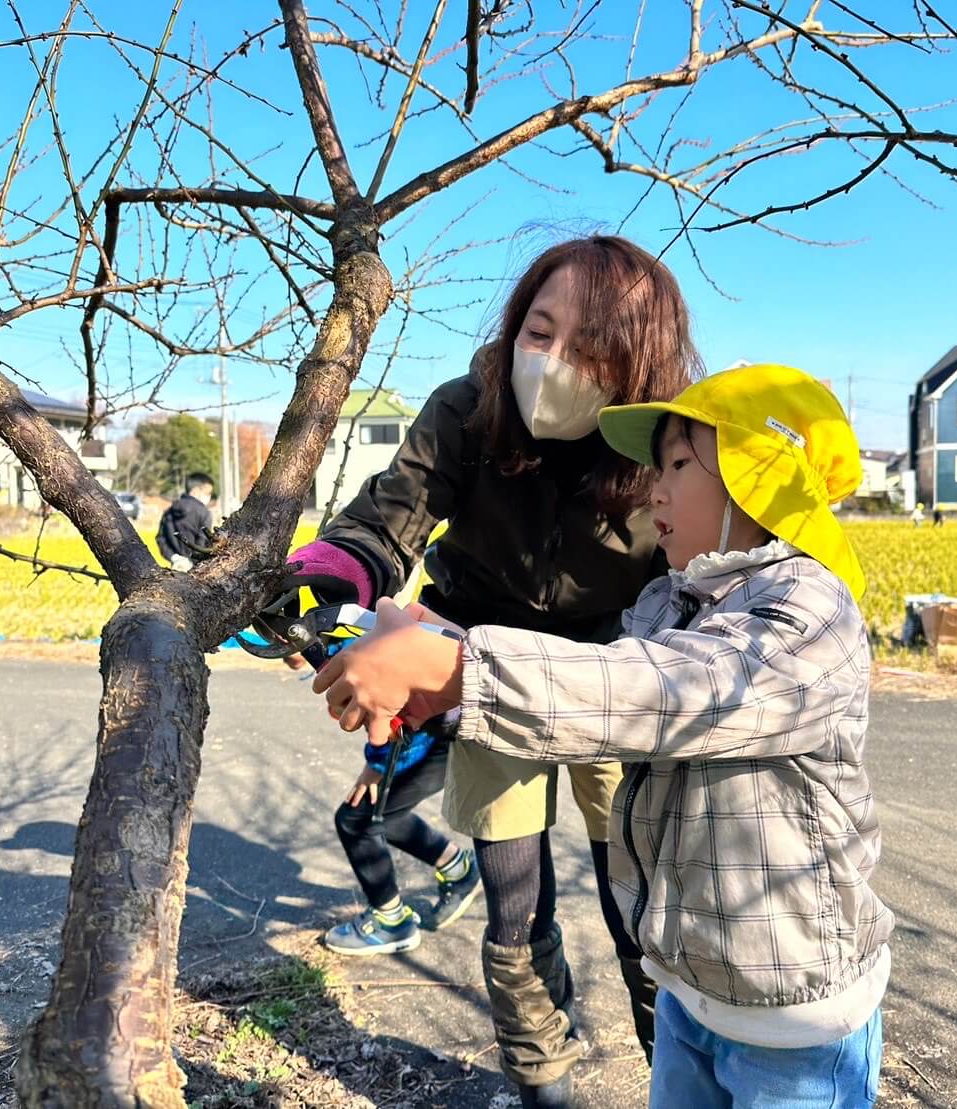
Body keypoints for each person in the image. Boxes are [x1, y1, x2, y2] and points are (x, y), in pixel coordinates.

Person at [316, 363, 893, 1109]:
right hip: (690, 991)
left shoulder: (807, 612)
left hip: (795, 1019)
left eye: (680, 463)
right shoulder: (673, 600)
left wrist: (463, 670)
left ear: (762, 476)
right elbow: (591, 676)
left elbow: (652, 693)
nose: (654, 488)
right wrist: (445, 637)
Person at [279, 235, 700, 1104]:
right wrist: (319, 584)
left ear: (640, 366)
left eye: (589, 350)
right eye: (538, 332)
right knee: (515, 904)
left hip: (614, 679)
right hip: (479, 665)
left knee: (640, 903)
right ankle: (541, 1077)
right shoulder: (469, 409)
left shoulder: (669, 443)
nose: (550, 364)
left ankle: (678, 1075)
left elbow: (698, 576)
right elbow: (384, 522)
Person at [324, 697, 482, 955]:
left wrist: (379, 763)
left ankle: (391, 924)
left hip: (435, 731)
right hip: (447, 725)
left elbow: (393, 697)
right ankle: (459, 869)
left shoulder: (334, 653)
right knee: (385, 815)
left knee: (357, 820)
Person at [156, 472, 215, 570]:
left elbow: (161, 539)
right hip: (195, 568)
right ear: (196, 490)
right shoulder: (204, 513)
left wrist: (174, 557)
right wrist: (191, 561)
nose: (209, 497)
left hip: (176, 566)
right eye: (207, 493)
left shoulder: (169, 511)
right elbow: (203, 542)